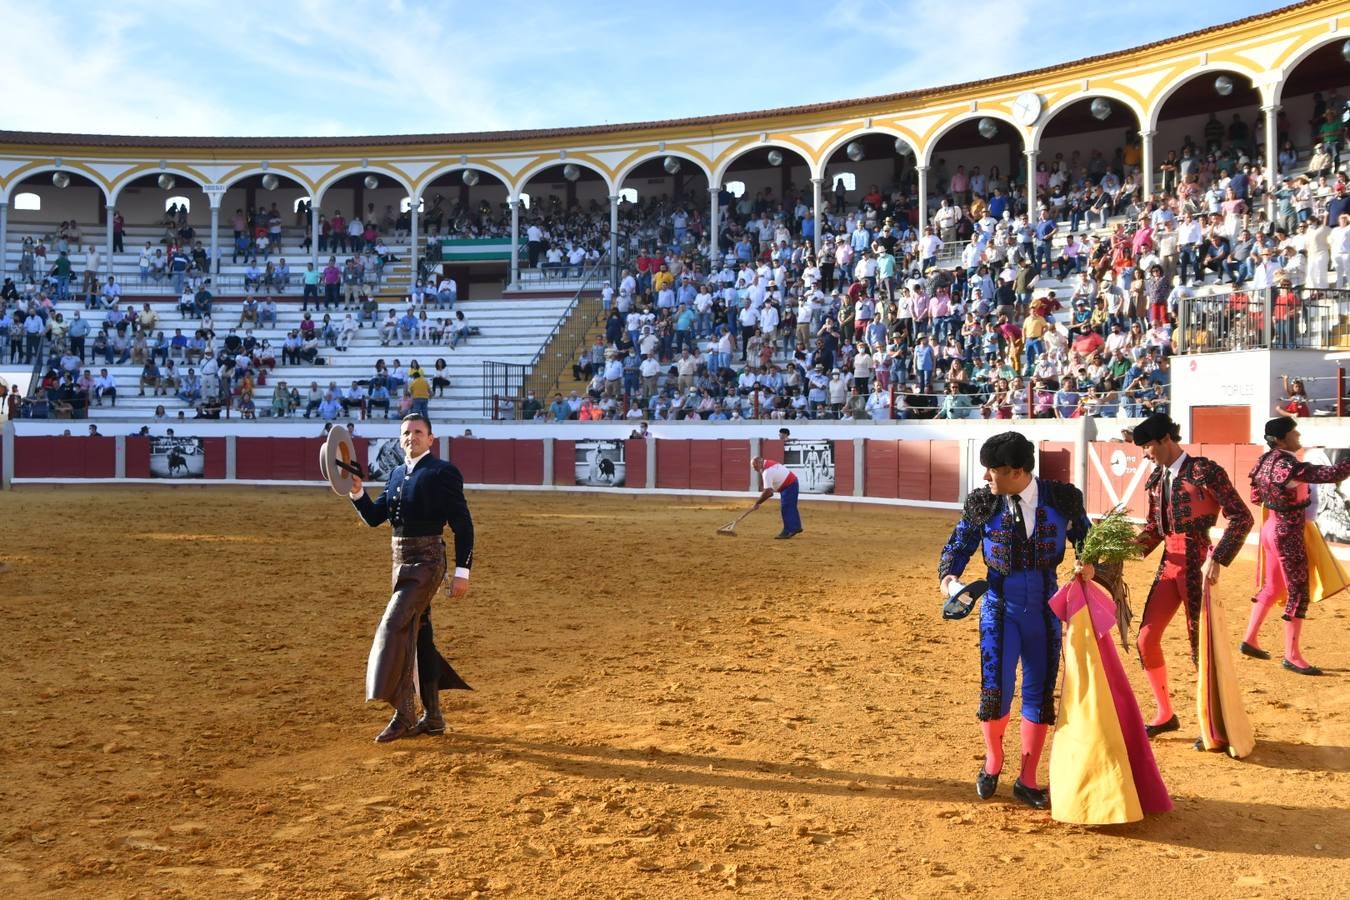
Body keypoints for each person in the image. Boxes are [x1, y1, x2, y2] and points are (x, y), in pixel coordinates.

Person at [937, 432, 1090, 809]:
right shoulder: (983, 502)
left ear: (1017, 471)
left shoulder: (1063, 498)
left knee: (1039, 693)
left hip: (1045, 610)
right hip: (998, 610)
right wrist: (949, 579)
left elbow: (1088, 540)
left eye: (993, 472)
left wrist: (1089, 563)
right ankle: (993, 761)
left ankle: (1028, 777)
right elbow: (958, 546)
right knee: (996, 690)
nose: (987, 479)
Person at [1130, 413, 1254, 755]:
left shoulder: (1204, 471)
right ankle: (1165, 713)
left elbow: (1242, 516)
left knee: (1201, 647)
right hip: (1169, 564)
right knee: (1146, 639)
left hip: (1198, 563)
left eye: (1148, 446)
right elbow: (1155, 530)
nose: (1145, 454)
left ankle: (1215, 725)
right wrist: (1117, 551)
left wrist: (1219, 556)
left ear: (1167, 439)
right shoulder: (1157, 479)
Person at [348, 413, 475, 742]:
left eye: (418, 432)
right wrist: (358, 493)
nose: (411, 437)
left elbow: (462, 523)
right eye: (406, 432)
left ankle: (404, 713)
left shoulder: (442, 472)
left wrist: (462, 571)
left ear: (431, 439)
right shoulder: (395, 474)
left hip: (428, 563)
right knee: (419, 637)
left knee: (394, 625)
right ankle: (433, 718)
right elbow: (376, 518)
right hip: (400, 564)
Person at [1245, 417, 1350, 676]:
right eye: (1294, 432)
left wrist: (1280, 501)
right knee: (1298, 592)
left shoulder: (1264, 461)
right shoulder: (1288, 464)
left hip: (1270, 528)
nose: (1299, 435)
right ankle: (1292, 655)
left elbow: (1255, 496)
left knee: (1272, 586)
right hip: (1289, 531)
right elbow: (1332, 474)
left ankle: (1250, 639)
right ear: (1281, 439)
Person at [750, 456, 801, 539]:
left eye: (755, 466)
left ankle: (788, 531)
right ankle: (796, 527)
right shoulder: (768, 463)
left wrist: (757, 503)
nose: (754, 469)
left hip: (789, 485)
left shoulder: (767, 472)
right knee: (790, 507)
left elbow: (768, 492)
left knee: (786, 508)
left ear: (760, 463)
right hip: (792, 482)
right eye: (753, 467)